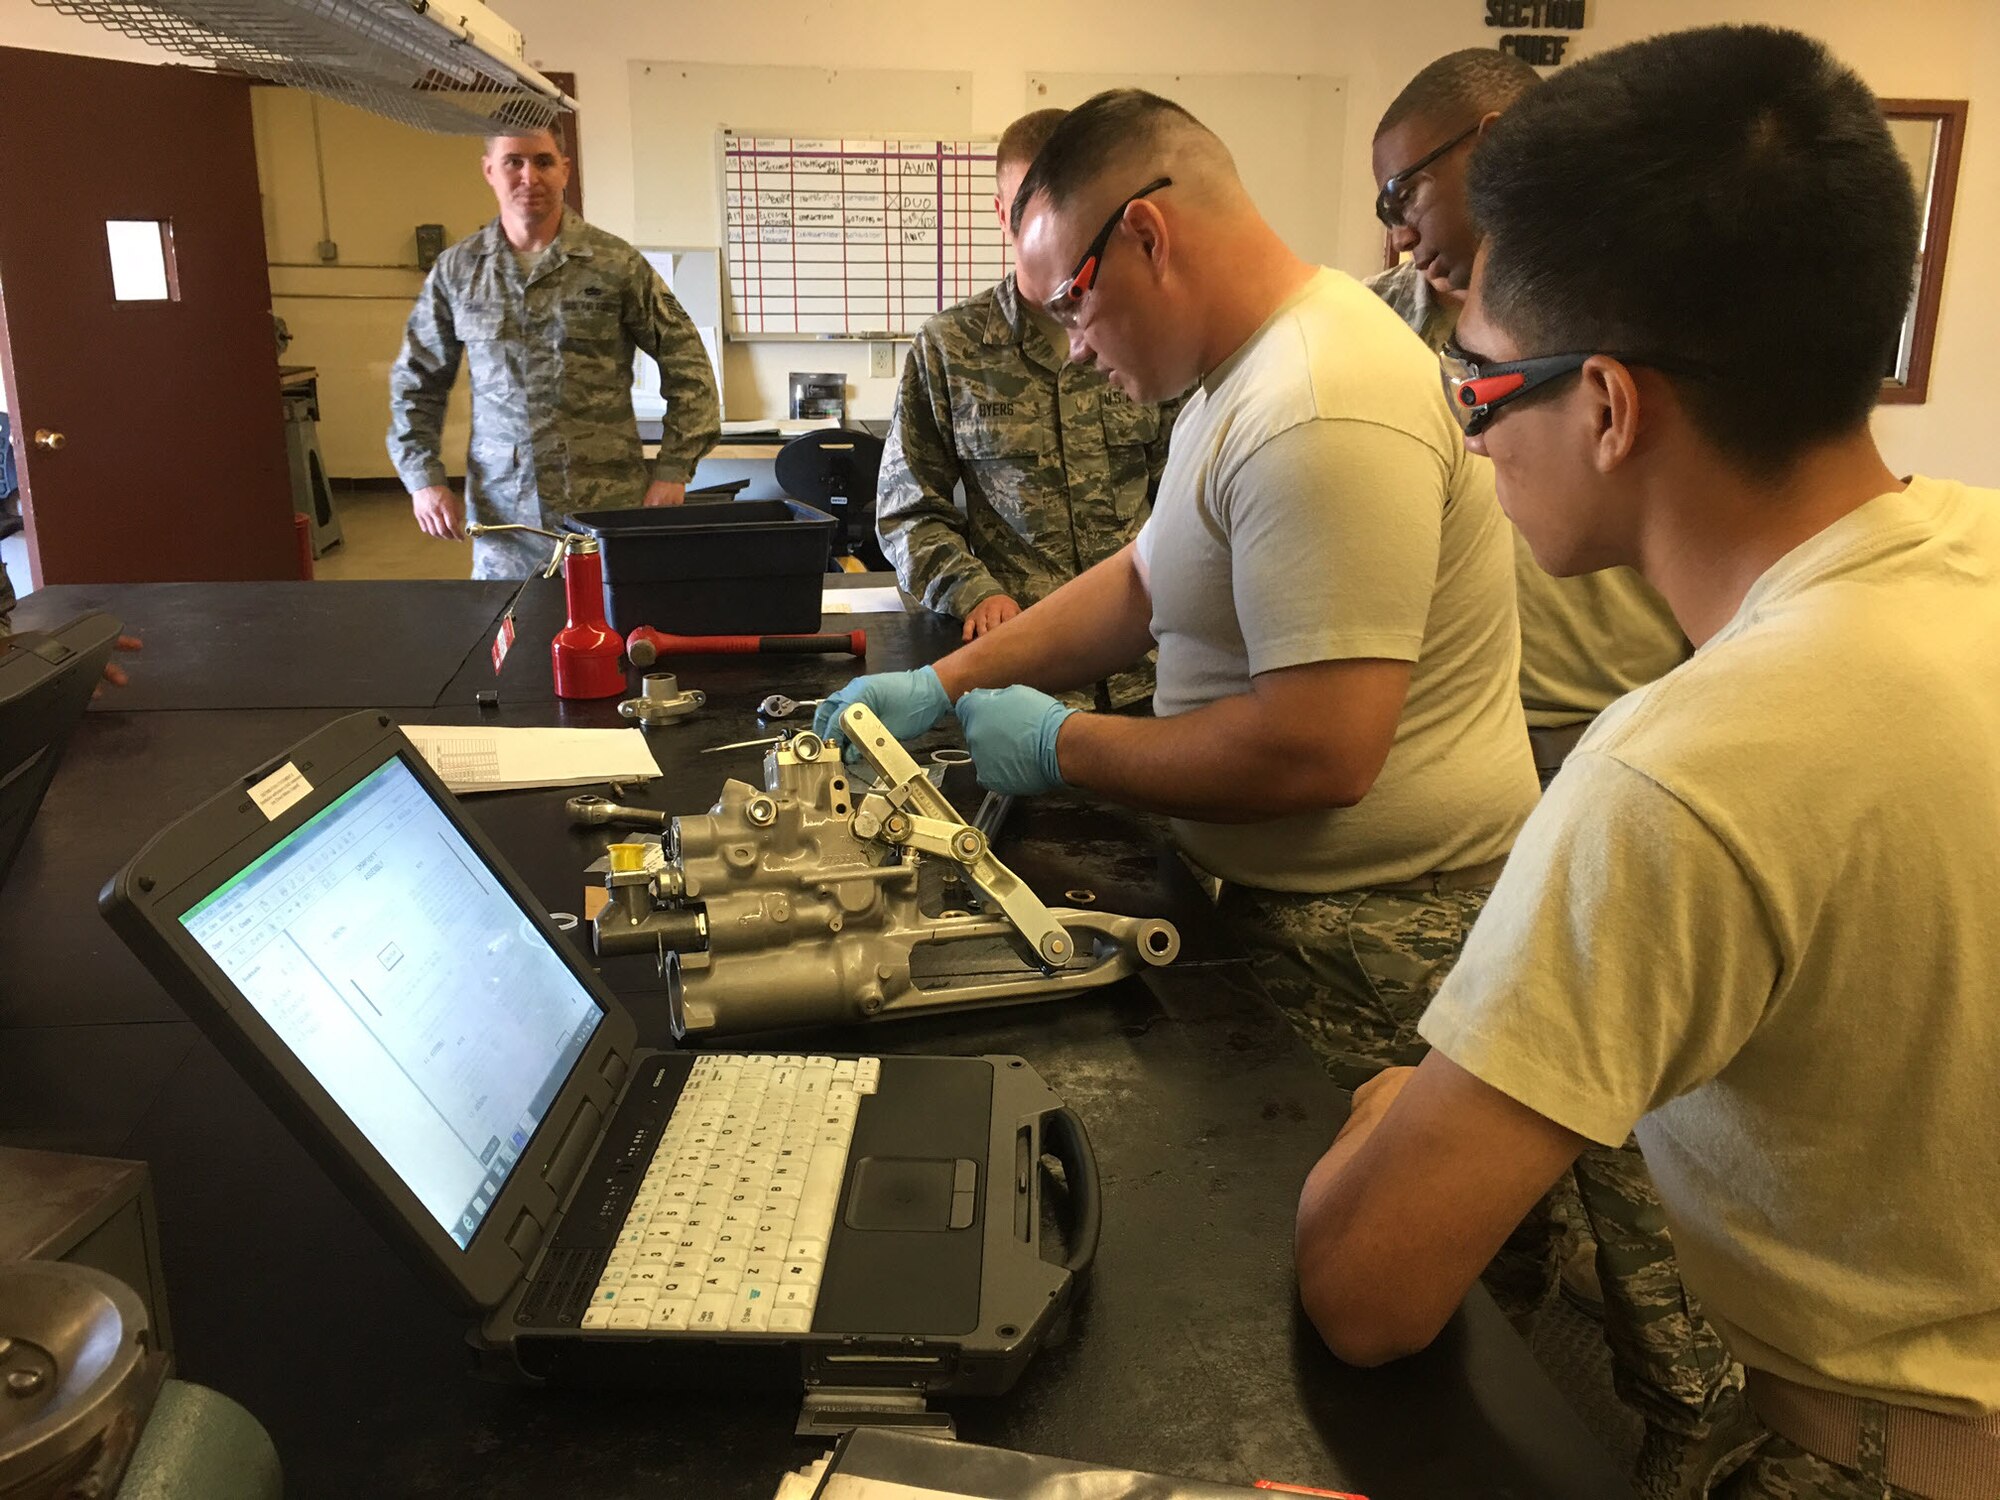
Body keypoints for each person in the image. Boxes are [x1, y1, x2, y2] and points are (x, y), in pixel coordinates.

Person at [1296, 26, 1999, 1500]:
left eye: (1481, 390)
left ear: (1609, 407)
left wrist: (1384, 1115)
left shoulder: (1685, 770)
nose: (1473, 440)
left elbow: (1369, 1290)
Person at [817, 89, 1534, 1140]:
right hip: (1301, 911)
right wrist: (944, 684)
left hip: (1378, 944)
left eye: (1069, 304)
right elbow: (1143, 582)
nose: (1066, 347)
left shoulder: (1316, 400)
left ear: (1145, 235)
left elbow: (1317, 755)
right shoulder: (1233, 379)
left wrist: (1067, 746)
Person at [1369, 49, 1747, 1495]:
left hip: (1642, 727)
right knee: (1532, 1089)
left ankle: (1693, 1400)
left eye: (1408, 187)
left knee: (1640, 1118)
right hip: (1506, 729)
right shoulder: (1427, 315)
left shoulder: (1641, 288)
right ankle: (1539, 1337)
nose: (1400, 232)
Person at [1368, 48, 1688, 787]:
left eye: (1404, 194)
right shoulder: (1364, 328)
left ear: (1495, 143)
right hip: (1433, 744)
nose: (1401, 232)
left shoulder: (1653, 308)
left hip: (1615, 735)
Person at [874, 109, 1180, 709]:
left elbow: (1189, 492)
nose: (1050, 229)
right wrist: (972, 591)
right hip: (1021, 673)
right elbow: (908, 510)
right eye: (1026, 211)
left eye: (1068, 209)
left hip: (1152, 666)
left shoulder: (1145, 332)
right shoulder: (950, 346)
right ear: (1000, 215)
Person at [388, 124, 721, 579]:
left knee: (615, 637)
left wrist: (674, 468)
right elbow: (417, 380)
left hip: (607, 513)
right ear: (489, 170)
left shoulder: (615, 264)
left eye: (543, 161)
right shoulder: (460, 270)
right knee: (513, 639)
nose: (530, 176)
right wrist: (422, 478)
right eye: (514, 162)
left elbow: (689, 364)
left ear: (564, 170)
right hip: (506, 520)